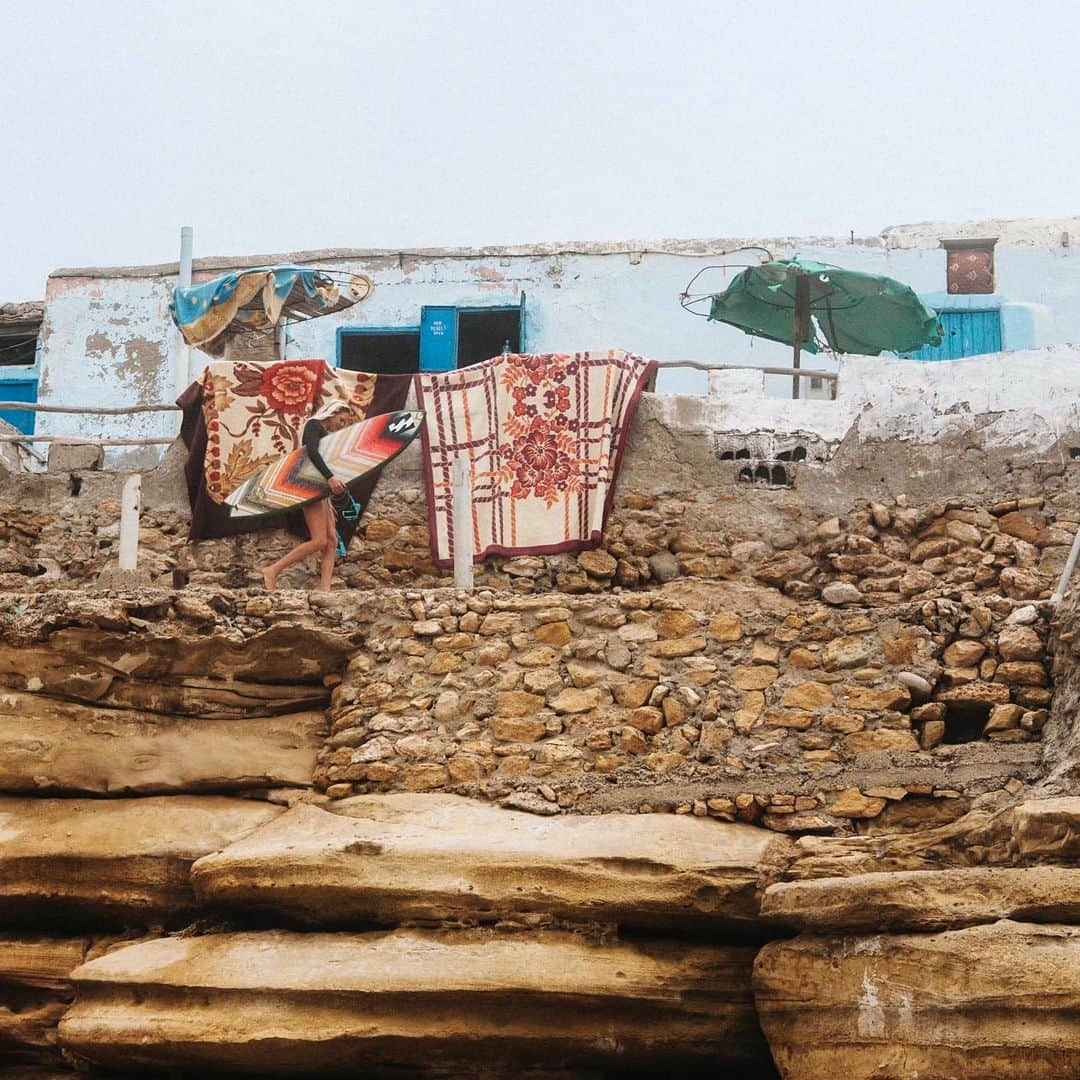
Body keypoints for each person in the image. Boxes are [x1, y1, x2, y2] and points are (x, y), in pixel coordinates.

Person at [261, 401, 355, 591]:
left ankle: (325, 591)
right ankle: (272, 570)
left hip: (319, 490)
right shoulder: (314, 425)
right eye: (341, 420)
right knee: (319, 540)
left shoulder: (324, 433)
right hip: (308, 487)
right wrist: (330, 478)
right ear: (332, 413)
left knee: (331, 542)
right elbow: (310, 452)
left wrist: (328, 500)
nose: (341, 425)